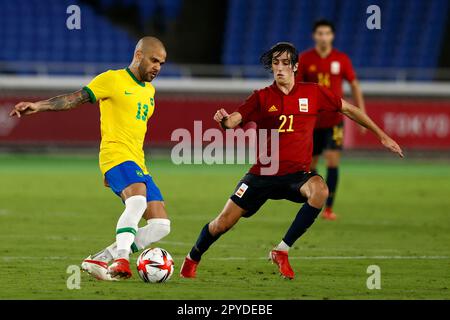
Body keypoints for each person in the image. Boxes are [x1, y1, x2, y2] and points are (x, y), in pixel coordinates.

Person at [179, 42, 403, 280]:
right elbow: (234, 120)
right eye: (275, 63)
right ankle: (192, 258)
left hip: (296, 176)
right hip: (262, 175)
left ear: (295, 66)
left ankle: (281, 250)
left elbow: (349, 109)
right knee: (222, 224)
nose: (280, 68)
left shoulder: (314, 93)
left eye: (285, 63)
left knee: (320, 191)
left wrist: (382, 135)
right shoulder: (262, 97)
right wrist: (223, 121)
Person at [9, 37, 170, 281]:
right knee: (136, 201)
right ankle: (121, 260)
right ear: (138, 55)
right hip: (115, 155)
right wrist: (39, 106)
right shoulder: (112, 79)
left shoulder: (150, 91)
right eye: (154, 60)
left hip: (138, 162)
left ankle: (100, 259)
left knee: (161, 225)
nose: (157, 67)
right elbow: (75, 98)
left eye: (162, 63)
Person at [296, 19, 366, 220]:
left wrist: (362, 112)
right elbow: (297, 88)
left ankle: (329, 208)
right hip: (312, 122)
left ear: (332, 36)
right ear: (314, 36)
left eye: (327, 33)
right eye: (320, 33)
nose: (323, 37)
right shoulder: (306, 58)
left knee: (333, 162)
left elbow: (354, 85)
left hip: (335, 120)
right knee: (310, 165)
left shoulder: (341, 59)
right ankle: (315, 197)